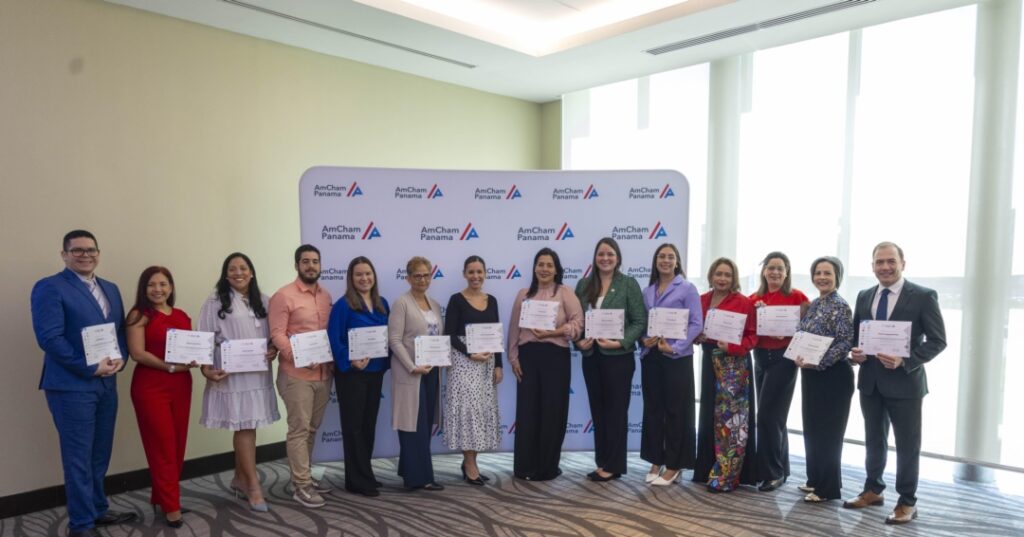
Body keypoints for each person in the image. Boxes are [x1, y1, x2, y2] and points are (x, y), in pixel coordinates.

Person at [31, 230, 137, 537]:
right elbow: (49, 338)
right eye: (77, 250)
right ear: (64, 255)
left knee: (100, 452)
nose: (85, 255)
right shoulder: (50, 287)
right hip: (71, 385)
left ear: (98, 253)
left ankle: (97, 508)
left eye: (91, 250)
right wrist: (89, 367)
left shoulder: (111, 288)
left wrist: (121, 358)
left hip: (106, 383)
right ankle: (81, 524)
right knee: (78, 456)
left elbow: (118, 331)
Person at [843, 242, 946, 525]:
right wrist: (856, 354)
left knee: (907, 445)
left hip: (905, 384)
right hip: (871, 382)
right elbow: (857, 339)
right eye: (879, 262)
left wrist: (905, 360)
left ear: (903, 263)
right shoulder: (864, 296)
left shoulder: (923, 296)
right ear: (872, 266)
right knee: (874, 440)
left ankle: (907, 501)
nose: (885, 267)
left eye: (890, 261)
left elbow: (938, 341)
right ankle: (873, 489)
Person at [198, 253, 280, 512]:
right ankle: (253, 485)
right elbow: (203, 338)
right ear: (225, 274)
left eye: (243, 268)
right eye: (232, 269)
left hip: (257, 373)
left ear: (252, 272)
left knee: (248, 426)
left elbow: (272, 337)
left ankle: (239, 478)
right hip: (230, 373)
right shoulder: (214, 302)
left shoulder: (265, 301)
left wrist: (273, 350)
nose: (238, 272)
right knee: (243, 426)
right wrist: (205, 369)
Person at [125, 266, 195, 527]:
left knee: (177, 445)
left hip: (181, 385)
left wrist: (196, 359)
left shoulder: (181, 315)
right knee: (162, 446)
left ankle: (163, 497)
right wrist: (170, 366)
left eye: (163, 284)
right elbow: (137, 353)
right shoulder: (138, 315)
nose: (157, 289)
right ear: (144, 289)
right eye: (151, 285)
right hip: (151, 387)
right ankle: (172, 506)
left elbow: (190, 347)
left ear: (171, 287)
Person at [508, 248, 584, 481]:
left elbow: (578, 323)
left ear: (556, 269)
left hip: (556, 358)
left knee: (553, 411)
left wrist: (555, 331)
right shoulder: (523, 294)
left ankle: (547, 467)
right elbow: (514, 329)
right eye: (540, 264)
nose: (544, 269)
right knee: (528, 411)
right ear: (534, 268)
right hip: (528, 357)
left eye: (549, 265)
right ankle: (525, 467)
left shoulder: (565, 293)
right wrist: (513, 357)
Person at [574, 237, 646, 482]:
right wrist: (578, 342)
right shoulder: (583, 285)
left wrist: (621, 342)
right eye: (601, 254)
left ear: (617, 258)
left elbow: (639, 321)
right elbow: (577, 322)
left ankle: (614, 464)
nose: (605, 258)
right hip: (591, 357)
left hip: (619, 358)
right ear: (595, 258)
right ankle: (602, 461)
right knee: (599, 410)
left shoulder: (628, 284)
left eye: (610, 254)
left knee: (616, 411)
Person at [269, 244, 334, 508]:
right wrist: (299, 357)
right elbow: (277, 334)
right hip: (296, 375)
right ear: (297, 265)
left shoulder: (326, 296)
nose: (311, 266)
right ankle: (301, 486)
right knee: (298, 430)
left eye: (315, 262)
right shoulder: (283, 296)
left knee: (311, 429)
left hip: (323, 374)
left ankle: (304, 477)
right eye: (305, 261)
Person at [639, 243, 703, 486]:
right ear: (656, 261)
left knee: (676, 412)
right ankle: (656, 460)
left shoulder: (687, 288)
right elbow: (644, 324)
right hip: (652, 356)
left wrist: (675, 347)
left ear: (677, 262)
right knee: (654, 410)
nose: (665, 260)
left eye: (670, 257)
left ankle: (674, 464)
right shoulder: (648, 291)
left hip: (676, 357)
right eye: (661, 257)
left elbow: (696, 323)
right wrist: (644, 340)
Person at [326, 256, 390, 497]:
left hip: (375, 372)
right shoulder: (343, 305)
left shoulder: (382, 303)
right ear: (351, 279)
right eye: (359, 275)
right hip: (352, 375)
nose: (364, 278)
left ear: (374, 276)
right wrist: (350, 361)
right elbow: (334, 338)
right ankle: (355, 479)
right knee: (353, 427)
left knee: (368, 425)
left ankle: (366, 474)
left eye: (368, 274)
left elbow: (386, 336)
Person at [693, 257, 758, 493]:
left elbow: (752, 336)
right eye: (718, 274)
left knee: (731, 420)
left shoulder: (743, 302)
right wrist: (696, 337)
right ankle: (706, 469)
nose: (722, 278)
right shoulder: (700, 300)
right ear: (711, 276)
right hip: (709, 359)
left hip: (734, 363)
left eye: (727, 275)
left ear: (734, 279)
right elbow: (693, 328)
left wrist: (734, 347)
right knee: (710, 413)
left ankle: (728, 475)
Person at [793, 256, 854, 503]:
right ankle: (816, 479)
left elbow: (845, 343)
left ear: (837, 276)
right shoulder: (815, 304)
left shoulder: (841, 306)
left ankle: (828, 489)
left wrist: (819, 361)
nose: (822, 277)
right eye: (818, 272)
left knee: (829, 434)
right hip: (810, 374)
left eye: (827, 273)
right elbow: (802, 334)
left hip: (833, 376)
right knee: (813, 429)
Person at [748, 252, 810, 492]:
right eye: (771, 268)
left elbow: (809, 328)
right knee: (775, 418)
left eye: (780, 269)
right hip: (760, 358)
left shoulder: (798, 297)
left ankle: (772, 473)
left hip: (785, 360)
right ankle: (781, 468)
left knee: (767, 416)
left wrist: (788, 335)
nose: (775, 272)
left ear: (787, 272)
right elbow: (748, 330)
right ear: (764, 271)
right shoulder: (754, 298)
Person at [443, 256, 503, 485]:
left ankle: (471, 462)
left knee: (479, 412)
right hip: (464, 363)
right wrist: (470, 353)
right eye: (471, 272)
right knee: (468, 413)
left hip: (486, 364)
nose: (476, 276)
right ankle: (470, 464)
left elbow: (496, 335)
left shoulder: (493, 300)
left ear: (485, 273)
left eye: (479, 272)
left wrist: (498, 364)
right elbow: (449, 335)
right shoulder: (456, 300)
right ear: (464, 274)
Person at [389, 256, 445, 491]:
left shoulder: (433, 303)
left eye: (426, 275)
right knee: (412, 425)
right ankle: (419, 478)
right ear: (408, 277)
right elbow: (394, 340)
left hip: (431, 371)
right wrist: (412, 366)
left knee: (423, 424)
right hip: (410, 373)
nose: (422, 279)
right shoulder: (401, 303)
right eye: (417, 275)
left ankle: (411, 469)